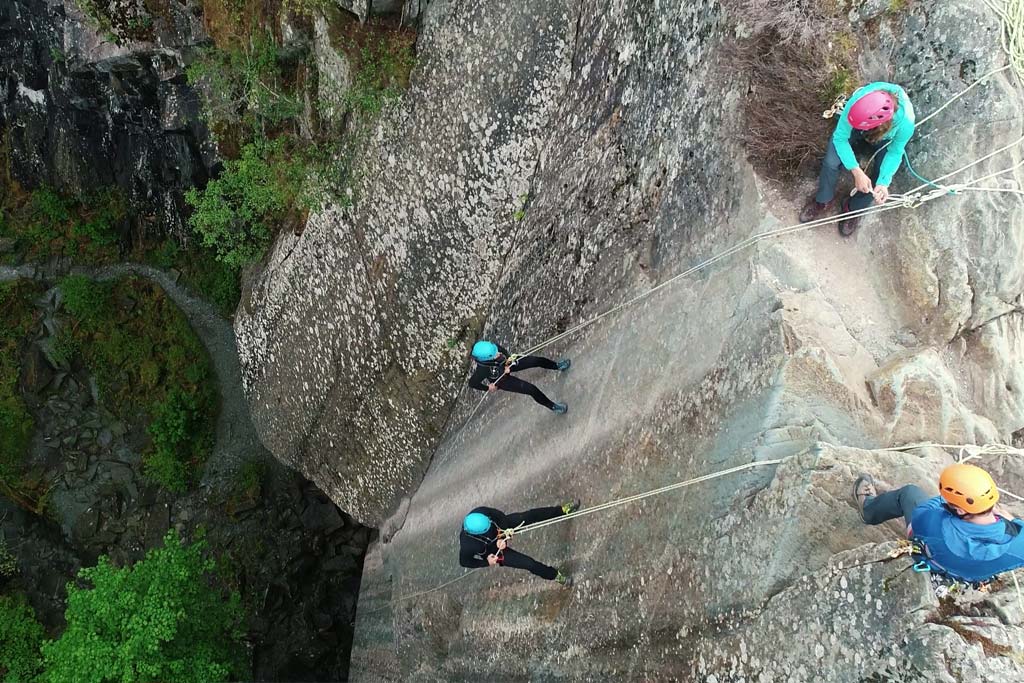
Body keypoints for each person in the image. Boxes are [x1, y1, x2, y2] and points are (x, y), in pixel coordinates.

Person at [854, 463, 1024, 583]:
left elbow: (924, 511)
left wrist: (948, 499)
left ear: (961, 510)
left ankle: (868, 511)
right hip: (970, 577)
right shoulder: (1018, 543)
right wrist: (1011, 520)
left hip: (935, 557)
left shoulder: (935, 524)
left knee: (909, 493)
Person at [800, 81, 916, 237]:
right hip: (858, 124)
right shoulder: (858, 102)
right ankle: (823, 200)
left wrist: (884, 181)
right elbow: (840, 137)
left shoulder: (906, 123)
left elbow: (895, 152)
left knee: (876, 181)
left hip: (884, 139)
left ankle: (852, 208)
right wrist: (857, 172)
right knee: (830, 162)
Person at [459, 502, 580, 586]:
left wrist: (503, 535)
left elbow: (500, 516)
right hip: (492, 552)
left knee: (528, 516)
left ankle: (562, 510)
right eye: (487, 529)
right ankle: (555, 576)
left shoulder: (480, 512)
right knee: (529, 564)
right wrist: (487, 562)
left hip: (500, 529)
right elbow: (464, 562)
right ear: (476, 533)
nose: (489, 527)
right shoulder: (468, 545)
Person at [468, 340, 570, 414]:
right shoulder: (482, 370)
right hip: (501, 379)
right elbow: (472, 383)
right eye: (495, 354)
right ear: (486, 359)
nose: (498, 353)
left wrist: (508, 361)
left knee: (536, 360)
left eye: (496, 351)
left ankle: (557, 366)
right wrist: (489, 388)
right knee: (531, 389)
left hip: (508, 363)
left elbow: (502, 350)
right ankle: (553, 407)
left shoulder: (491, 348)